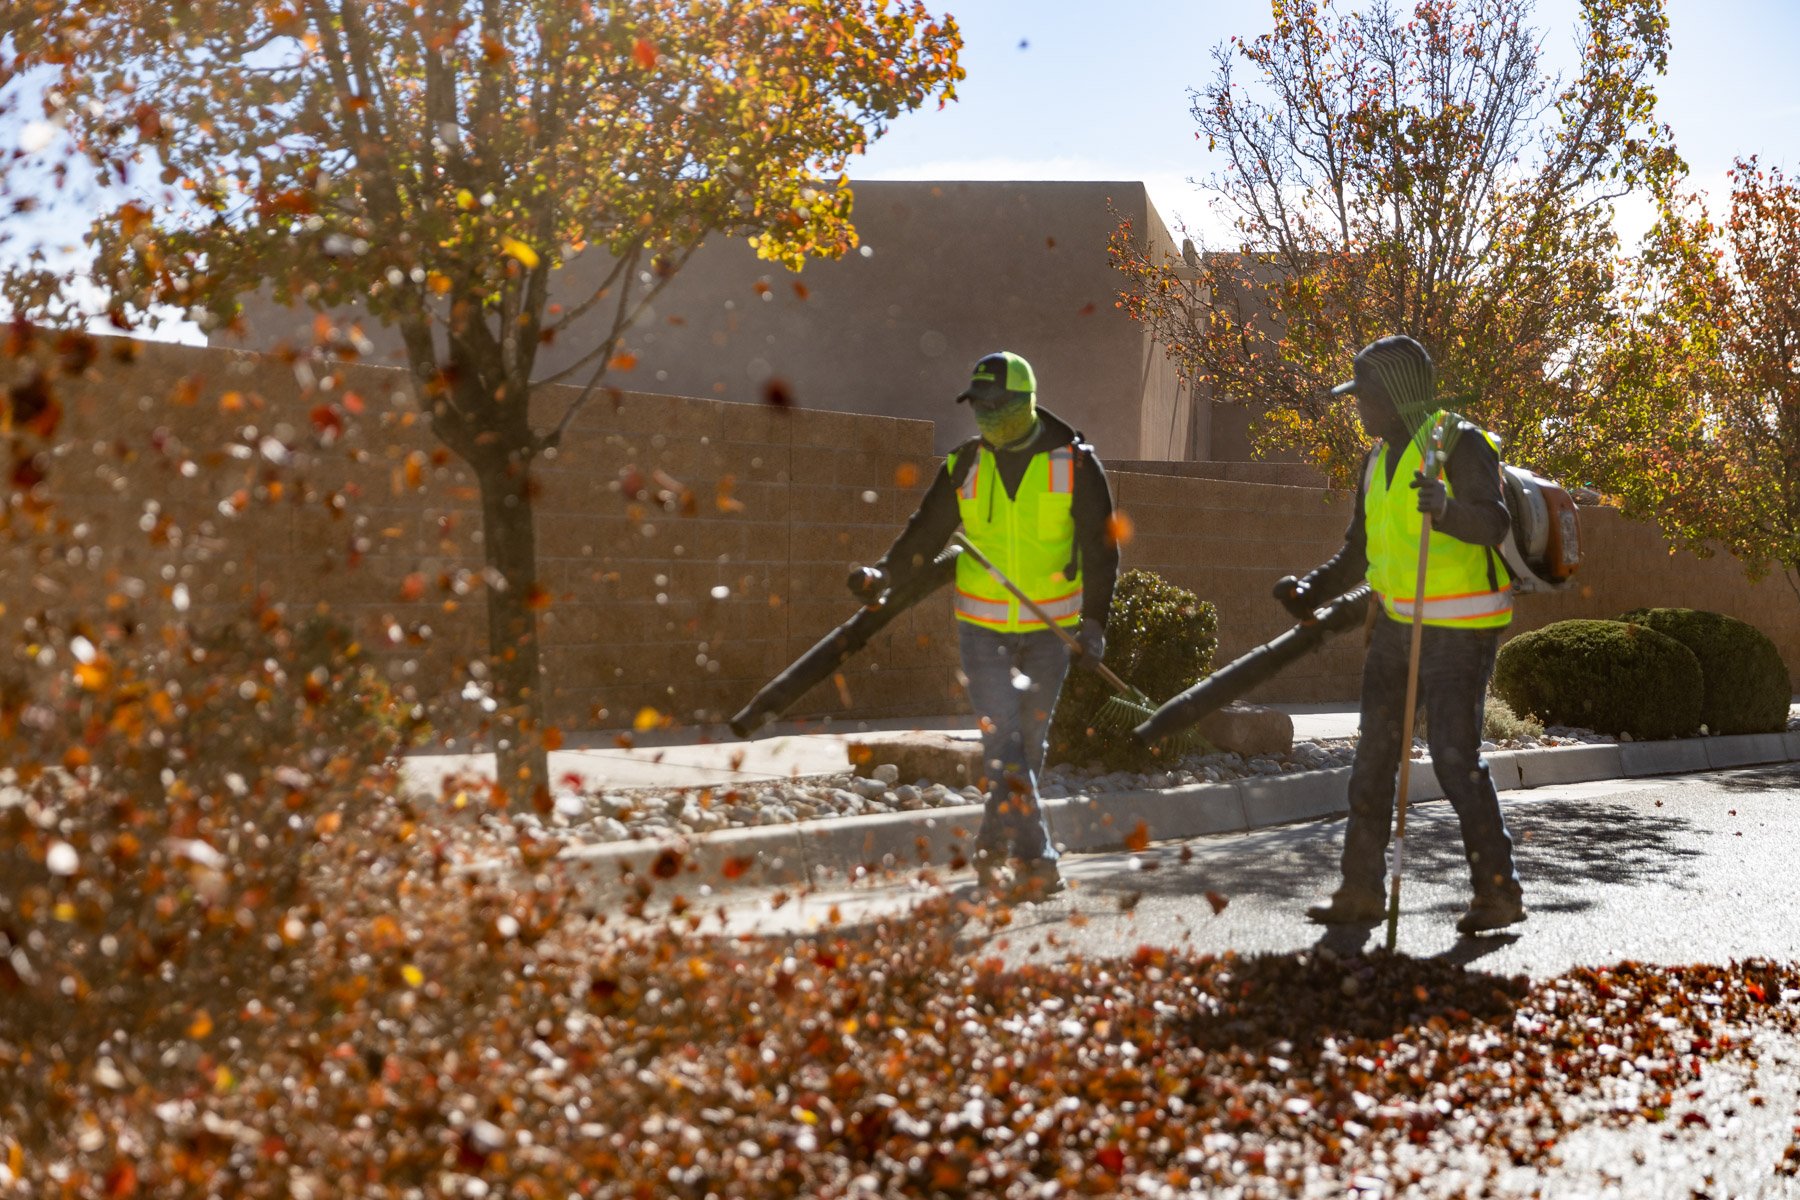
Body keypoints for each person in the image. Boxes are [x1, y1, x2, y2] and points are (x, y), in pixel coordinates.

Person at [1276, 334, 1526, 935]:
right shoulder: (1374, 461)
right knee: (1373, 759)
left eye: (1366, 395)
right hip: (1394, 625)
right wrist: (1311, 589)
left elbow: (1494, 522)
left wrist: (1447, 511)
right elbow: (1358, 551)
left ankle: (1499, 892)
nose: (1358, 407)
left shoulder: (1456, 443)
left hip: (1460, 631)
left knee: (1453, 758)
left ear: (1395, 395)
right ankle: (1360, 890)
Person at [849, 351, 1118, 900]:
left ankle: (993, 846)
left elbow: (1100, 548)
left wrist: (1094, 624)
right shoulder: (965, 464)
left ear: (1027, 400)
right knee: (1005, 745)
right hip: (982, 628)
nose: (988, 415)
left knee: (1030, 748)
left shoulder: (1074, 464)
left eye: (998, 405)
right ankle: (1038, 859)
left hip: (1052, 628)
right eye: (980, 406)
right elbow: (923, 537)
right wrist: (884, 573)